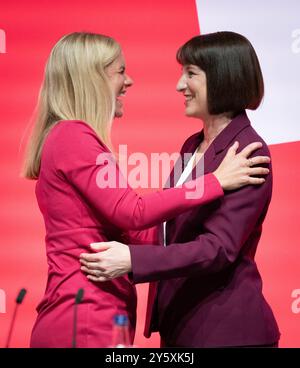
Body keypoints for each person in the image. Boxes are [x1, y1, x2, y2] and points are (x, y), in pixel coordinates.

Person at [24, 32, 269, 348]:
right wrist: (216, 182)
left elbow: (206, 245)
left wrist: (134, 258)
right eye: (120, 71)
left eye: (190, 73)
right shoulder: (75, 136)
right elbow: (136, 214)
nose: (180, 85)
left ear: (223, 79)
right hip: (88, 314)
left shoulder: (246, 153)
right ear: (93, 79)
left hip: (222, 332)